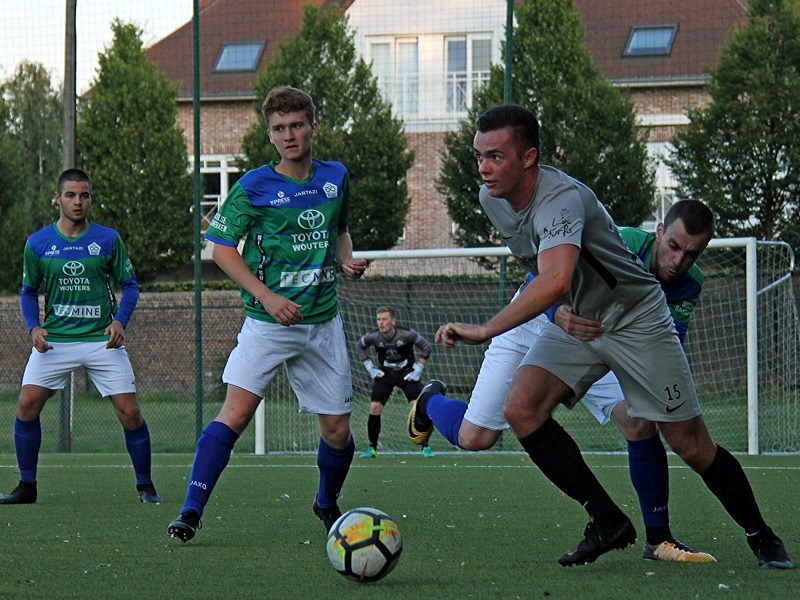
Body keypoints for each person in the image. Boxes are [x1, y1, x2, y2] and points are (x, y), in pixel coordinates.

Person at [410, 104, 793, 569]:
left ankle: (761, 535)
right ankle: (606, 519)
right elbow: (542, 273)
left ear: (529, 157)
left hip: (634, 317)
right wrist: (559, 312)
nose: (484, 169)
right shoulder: (491, 199)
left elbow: (553, 278)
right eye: (479, 156)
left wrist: (487, 328)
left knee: (690, 443)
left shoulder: (562, 199)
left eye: (496, 157)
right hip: (579, 321)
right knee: (521, 409)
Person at [409, 200, 718, 563]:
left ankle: (659, 539)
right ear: (661, 231)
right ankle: (430, 401)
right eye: (674, 247)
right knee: (475, 437)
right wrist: (558, 313)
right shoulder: (623, 241)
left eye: (691, 253)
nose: (678, 260)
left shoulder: (688, 284)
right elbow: (539, 279)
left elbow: (664, 343)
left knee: (639, 420)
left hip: (593, 336)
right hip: (535, 320)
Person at [167, 87, 367, 543]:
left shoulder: (336, 176)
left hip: (322, 323)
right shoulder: (254, 186)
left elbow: (340, 230)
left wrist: (345, 260)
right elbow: (220, 249)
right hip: (266, 323)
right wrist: (268, 298)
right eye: (279, 128)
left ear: (313, 128)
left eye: (297, 125)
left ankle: (325, 503)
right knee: (234, 415)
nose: (289, 135)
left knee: (337, 432)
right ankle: (190, 511)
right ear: (270, 134)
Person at [0, 168, 161, 505]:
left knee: (130, 412)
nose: (78, 201)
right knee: (27, 403)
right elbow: (28, 293)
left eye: (84, 195)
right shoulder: (38, 243)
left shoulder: (108, 239)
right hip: (55, 340)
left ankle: (146, 486)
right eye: (71, 195)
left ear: (90, 198)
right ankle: (26, 486)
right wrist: (34, 327)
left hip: (103, 340)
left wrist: (120, 322)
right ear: (57, 198)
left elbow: (130, 286)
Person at [355, 306, 434, 458]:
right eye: (378, 319)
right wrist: (370, 368)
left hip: (406, 373)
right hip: (385, 373)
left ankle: (426, 447)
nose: (380, 323)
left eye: (384, 319)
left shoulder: (407, 334)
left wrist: (417, 370)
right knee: (374, 407)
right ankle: (372, 449)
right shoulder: (373, 336)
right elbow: (360, 346)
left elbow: (426, 347)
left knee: (417, 408)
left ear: (393, 321)